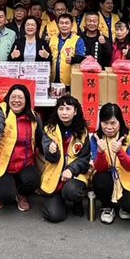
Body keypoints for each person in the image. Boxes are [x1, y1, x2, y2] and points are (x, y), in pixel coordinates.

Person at [0, 84, 42, 211]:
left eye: (20, 98)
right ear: (8, 98)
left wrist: (50, 147)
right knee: (7, 196)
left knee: (35, 180)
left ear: (26, 100)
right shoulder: (2, 112)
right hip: (3, 164)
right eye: (13, 97)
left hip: (25, 163)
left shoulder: (34, 117)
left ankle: (21, 194)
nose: (16, 100)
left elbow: (40, 139)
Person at [90, 102, 130, 224]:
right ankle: (107, 207)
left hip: (129, 178)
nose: (109, 127)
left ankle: (123, 206)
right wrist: (100, 152)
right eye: (105, 123)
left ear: (120, 122)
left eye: (113, 123)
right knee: (99, 178)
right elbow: (100, 168)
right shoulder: (96, 138)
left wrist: (120, 152)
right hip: (107, 178)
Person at [39, 94, 91, 223]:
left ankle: (76, 201)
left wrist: (71, 170)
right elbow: (50, 158)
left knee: (72, 191)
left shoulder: (82, 131)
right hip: (54, 175)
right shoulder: (49, 129)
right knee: (55, 216)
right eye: (61, 108)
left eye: (68, 109)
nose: (64, 112)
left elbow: (84, 160)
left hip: (75, 176)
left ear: (75, 111)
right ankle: (56, 199)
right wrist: (51, 151)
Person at [48, 13, 86, 85]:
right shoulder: (52, 39)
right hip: (53, 79)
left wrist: (73, 59)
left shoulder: (78, 39)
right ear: (58, 25)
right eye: (61, 23)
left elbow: (82, 57)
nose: (64, 25)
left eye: (67, 23)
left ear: (72, 25)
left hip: (70, 81)